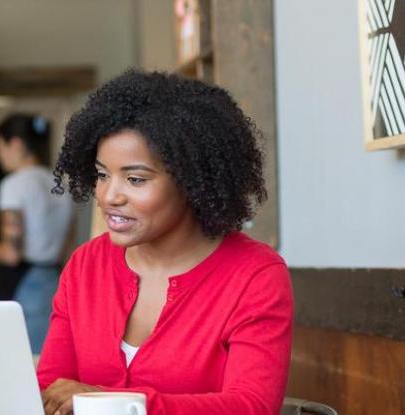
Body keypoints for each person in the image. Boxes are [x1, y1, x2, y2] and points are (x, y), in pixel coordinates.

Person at [36, 70, 293, 415]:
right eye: (101, 175)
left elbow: (251, 406)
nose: (109, 195)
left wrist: (115, 404)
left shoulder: (255, 275)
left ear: (192, 181)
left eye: (135, 179)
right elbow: (49, 389)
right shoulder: (86, 266)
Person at [0, 114, 74, 354]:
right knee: (49, 362)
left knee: (24, 363)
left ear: (16, 144)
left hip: (26, 283)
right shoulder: (60, 185)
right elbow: (68, 244)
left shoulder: (14, 184)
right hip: (56, 281)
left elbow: (11, 254)